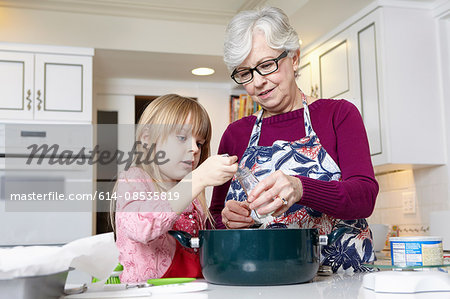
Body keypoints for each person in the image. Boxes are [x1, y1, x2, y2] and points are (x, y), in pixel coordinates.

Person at [209, 7, 379, 272]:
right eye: (245, 73)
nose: (258, 83)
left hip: (344, 283)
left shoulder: (338, 115)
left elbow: (365, 196)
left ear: (295, 58)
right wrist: (229, 221)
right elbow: (216, 218)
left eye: (266, 65)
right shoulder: (235, 134)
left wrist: (301, 188)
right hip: (267, 280)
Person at [113, 94, 238, 282]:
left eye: (200, 143)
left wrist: (232, 222)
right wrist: (196, 179)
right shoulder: (134, 180)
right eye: (182, 137)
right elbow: (141, 228)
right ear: (147, 139)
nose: (195, 149)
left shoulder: (194, 196)